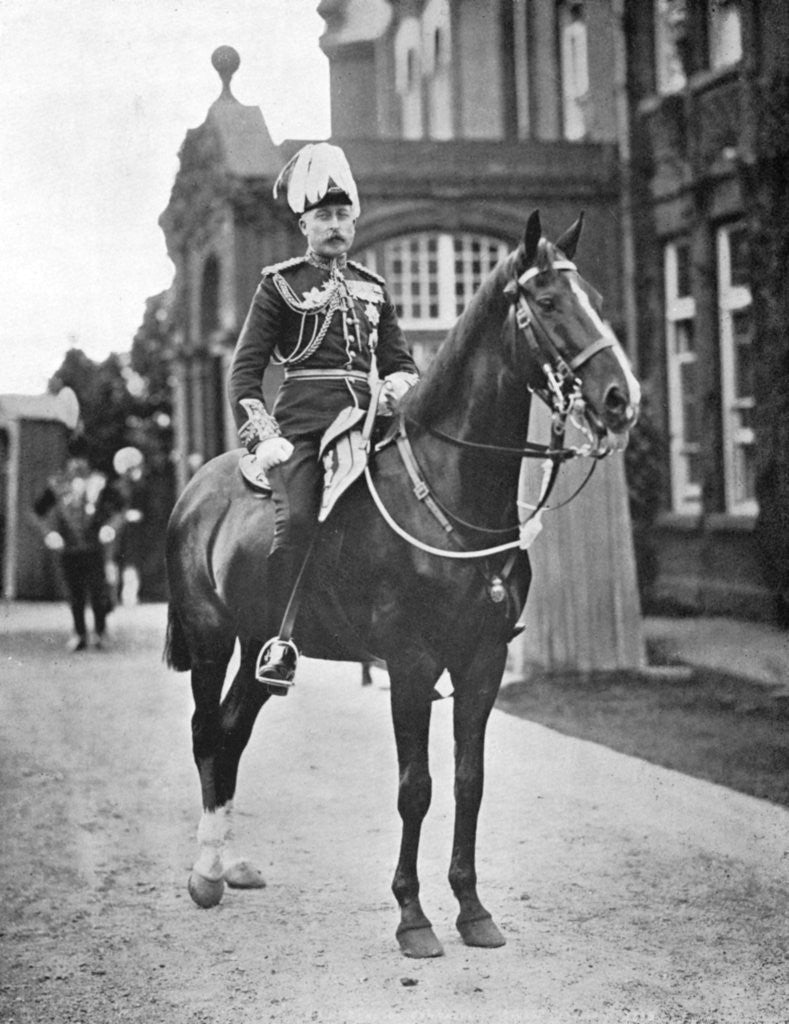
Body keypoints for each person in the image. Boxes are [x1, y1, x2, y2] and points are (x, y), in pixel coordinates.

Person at [228, 142, 419, 688]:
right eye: (323, 216)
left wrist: (398, 387)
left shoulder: (373, 287)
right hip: (306, 429)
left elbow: (401, 361)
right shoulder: (280, 284)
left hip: (372, 424)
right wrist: (265, 437)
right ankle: (279, 639)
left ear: (354, 222)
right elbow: (244, 373)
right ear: (304, 224)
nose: (334, 226)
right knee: (300, 523)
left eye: (342, 215)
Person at [34, 438, 122, 651]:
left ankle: (101, 632)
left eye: (82, 459)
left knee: (98, 592)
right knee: (75, 594)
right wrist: (49, 534)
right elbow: (37, 512)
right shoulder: (57, 484)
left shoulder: (100, 482)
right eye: (74, 459)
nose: (78, 464)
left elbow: (119, 511)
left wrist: (110, 527)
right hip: (69, 548)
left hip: (94, 547)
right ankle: (79, 633)